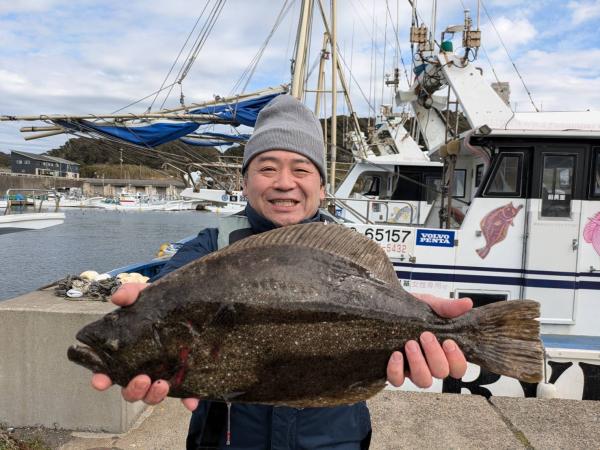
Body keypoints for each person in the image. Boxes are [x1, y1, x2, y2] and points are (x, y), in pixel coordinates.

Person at [92, 95, 473, 449]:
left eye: (301, 169)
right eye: (267, 168)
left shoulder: (345, 254)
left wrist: (422, 324)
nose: (284, 183)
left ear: (321, 187)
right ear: (245, 183)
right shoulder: (209, 250)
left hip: (333, 439)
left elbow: (382, 308)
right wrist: (143, 309)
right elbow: (167, 296)